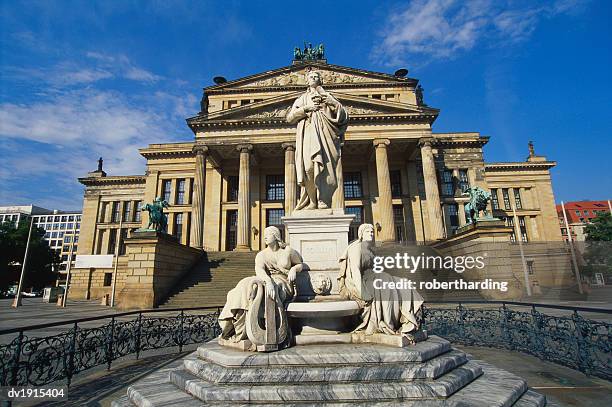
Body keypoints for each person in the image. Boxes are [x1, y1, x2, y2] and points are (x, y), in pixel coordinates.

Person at [219, 226, 304, 343]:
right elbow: (259, 270)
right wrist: (268, 281)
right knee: (246, 284)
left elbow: (300, 264)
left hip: (283, 282)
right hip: (267, 279)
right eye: (264, 234)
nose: (265, 237)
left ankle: (269, 330)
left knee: (270, 288)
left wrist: (294, 269)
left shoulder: (288, 251)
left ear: (276, 236)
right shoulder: (262, 255)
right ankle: (235, 319)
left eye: (268, 234)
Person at [338, 224, 424, 336]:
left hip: (372, 279)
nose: (371, 234)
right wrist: (362, 292)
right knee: (385, 280)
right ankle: (389, 323)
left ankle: (408, 320)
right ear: (361, 234)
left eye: (372, 232)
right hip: (361, 282)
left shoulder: (369, 250)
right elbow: (355, 272)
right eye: (368, 232)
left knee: (403, 283)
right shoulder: (356, 248)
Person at [287, 70, 348, 210]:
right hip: (308, 134)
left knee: (326, 170)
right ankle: (312, 201)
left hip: (326, 138)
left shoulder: (328, 96)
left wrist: (332, 103)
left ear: (321, 80)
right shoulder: (302, 99)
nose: (314, 78)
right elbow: (290, 118)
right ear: (307, 81)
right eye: (311, 77)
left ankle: (323, 200)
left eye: (316, 76)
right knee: (308, 168)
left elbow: (343, 116)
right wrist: (306, 109)